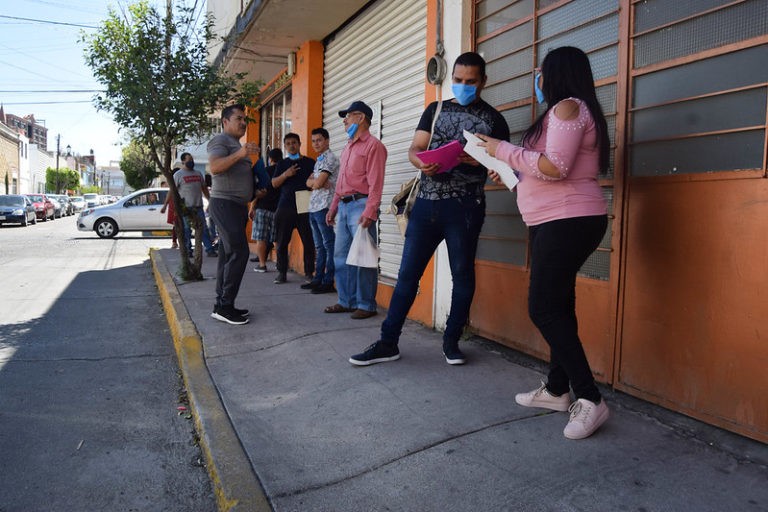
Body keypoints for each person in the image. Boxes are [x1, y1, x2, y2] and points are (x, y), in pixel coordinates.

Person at [478, 46, 611, 440]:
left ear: (555, 74)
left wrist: (501, 149)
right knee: (559, 305)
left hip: (567, 219)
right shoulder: (565, 111)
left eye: (540, 72)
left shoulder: (568, 107)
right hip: (551, 219)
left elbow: (557, 168)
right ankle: (556, 389)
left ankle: (590, 398)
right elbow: (543, 167)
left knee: (543, 308)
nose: (537, 80)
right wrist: (511, 171)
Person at [348, 52, 509, 366]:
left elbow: (504, 166)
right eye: (458, 80)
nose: (463, 86)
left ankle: (451, 342)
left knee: (462, 276)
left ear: (483, 81)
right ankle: (387, 342)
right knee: (407, 275)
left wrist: (479, 161)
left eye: (470, 81)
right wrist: (422, 162)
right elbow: (415, 149)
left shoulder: (494, 121)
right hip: (426, 204)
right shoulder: (434, 110)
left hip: (466, 208)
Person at [324, 100, 387, 320]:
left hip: (361, 205)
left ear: (361, 118)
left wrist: (370, 211)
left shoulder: (374, 146)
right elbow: (341, 181)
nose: (345, 121)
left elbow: (376, 183)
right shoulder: (348, 147)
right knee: (341, 256)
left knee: (363, 257)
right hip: (343, 206)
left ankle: (366, 304)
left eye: (348, 116)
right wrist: (333, 207)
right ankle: (346, 301)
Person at [207, 104, 259, 325]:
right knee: (240, 252)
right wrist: (241, 153)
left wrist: (256, 189)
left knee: (228, 256)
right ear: (225, 121)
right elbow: (215, 167)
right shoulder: (220, 141)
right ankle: (225, 306)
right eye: (239, 118)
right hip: (224, 204)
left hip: (236, 206)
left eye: (244, 119)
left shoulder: (236, 145)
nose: (243, 123)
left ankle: (222, 304)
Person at [270, 133, 315, 284]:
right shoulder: (282, 164)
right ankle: (281, 272)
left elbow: (317, 181)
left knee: (308, 241)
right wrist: (286, 174)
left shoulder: (309, 162)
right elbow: (274, 183)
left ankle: (309, 272)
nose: (291, 146)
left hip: (304, 203)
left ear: (300, 144)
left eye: (294, 142)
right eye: (288, 143)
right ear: (285, 146)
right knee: (282, 241)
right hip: (286, 205)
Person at [303, 127, 339, 294]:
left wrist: (316, 182)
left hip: (324, 207)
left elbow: (316, 183)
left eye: (319, 140)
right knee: (319, 246)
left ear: (327, 141)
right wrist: (315, 182)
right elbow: (308, 182)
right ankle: (318, 279)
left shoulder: (330, 158)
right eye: (313, 141)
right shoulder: (319, 160)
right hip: (314, 206)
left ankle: (328, 281)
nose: (316, 144)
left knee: (329, 245)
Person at [175, 152, 217, 257]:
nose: (191, 161)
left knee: (203, 229)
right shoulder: (178, 175)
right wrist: (171, 205)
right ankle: (188, 251)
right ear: (183, 161)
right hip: (186, 207)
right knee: (187, 230)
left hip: (198, 206)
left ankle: (209, 249)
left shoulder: (198, 173)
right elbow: (173, 191)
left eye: (192, 159)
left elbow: (204, 188)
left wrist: (210, 200)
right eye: (189, 160)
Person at [249, 148, 282, 272]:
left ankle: (262, 265)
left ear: (270, 159)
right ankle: (280, 264)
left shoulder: (265, 171)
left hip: (262, 209)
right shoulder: (283, 172)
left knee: (261, 238)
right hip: (278, 209)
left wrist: (252, 207)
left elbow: (258, 192)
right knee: (277, 239)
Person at [160, 178, 178, 249]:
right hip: (175, 205)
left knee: (180, 225)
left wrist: (165, 206)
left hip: (181, 205)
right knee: (176, 224)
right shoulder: (174, 185)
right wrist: (165, 206)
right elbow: (169, 193)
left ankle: (177, 242)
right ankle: (174, 242)